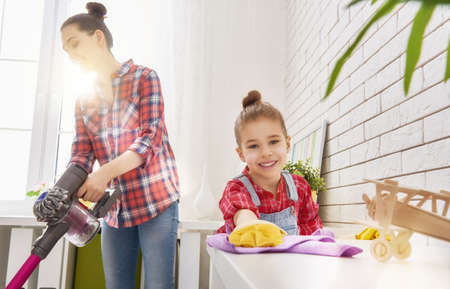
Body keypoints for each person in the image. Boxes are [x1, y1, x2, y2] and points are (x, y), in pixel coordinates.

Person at [60, 3, 180, 289]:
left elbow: (149, 139)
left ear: (98, 38)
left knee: (158, 285)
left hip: (157, 201)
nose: (71, 55)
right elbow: (81, 153)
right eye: (66, 50)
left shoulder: (144, 78)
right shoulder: (83, 100)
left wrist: (103, 175)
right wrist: (61, 190)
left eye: (75, 44)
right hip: (116, 210)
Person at [217, 90, 322, 244]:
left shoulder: (300, 187)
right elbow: (245, 217)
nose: (266, 152)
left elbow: (313, 231)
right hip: (250, 263)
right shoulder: (237, 189)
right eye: (253, 146)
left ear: (286, 144)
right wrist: (248, 223)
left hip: (290, 263)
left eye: (273, 142)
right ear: (241, 153)